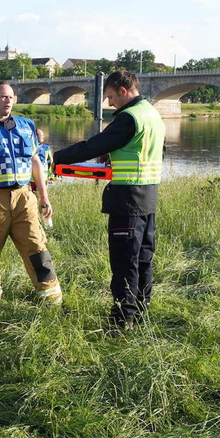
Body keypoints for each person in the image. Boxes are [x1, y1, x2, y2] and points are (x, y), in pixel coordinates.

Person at [53, 70, 165, 330]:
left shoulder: (128, 117)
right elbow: (155, 150)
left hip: (127, 200)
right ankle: (140, 313)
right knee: (143, 260)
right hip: (148, 199)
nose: (109, 103)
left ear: (123, 91)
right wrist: (117, 151)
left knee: (124, 263)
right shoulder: (152, 114)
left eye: (111, 96)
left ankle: (121, 321)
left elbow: (93, 145)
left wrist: (55, 158)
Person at [0, 81, 63, 305]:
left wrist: (44, 197)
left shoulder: (27, 125)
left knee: (36, 246)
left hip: (24, 196)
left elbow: (36, 162)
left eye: (11, 97)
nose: (8, 101)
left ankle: (51, 300)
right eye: (3, 97)